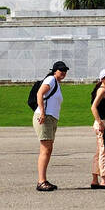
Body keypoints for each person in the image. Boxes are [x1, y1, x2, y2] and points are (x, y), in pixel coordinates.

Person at [33, 60, 69, 192]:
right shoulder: (51, 80)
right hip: (45, 117)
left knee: (48, 149)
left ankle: (43, 180)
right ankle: (41, 181)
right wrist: (42, 112)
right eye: (61, 70)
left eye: (65, 71)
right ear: (55, 71)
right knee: (45, 149)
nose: (64, 73)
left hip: (51, 118)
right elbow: (39, 93)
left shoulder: (56, 83)